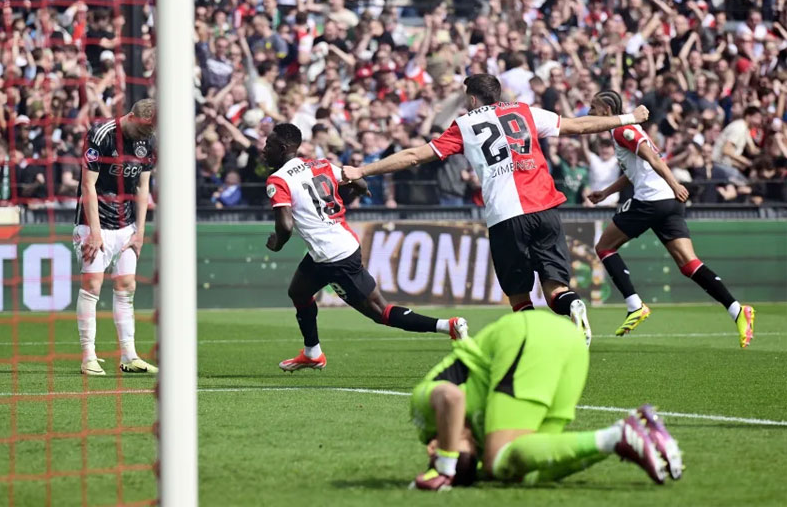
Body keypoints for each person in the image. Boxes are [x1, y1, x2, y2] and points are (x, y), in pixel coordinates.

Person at [343, 74, 652, 346]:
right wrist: (627, 118)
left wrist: (363, 170)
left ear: (473, 98)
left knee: (518, 295)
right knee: (556, 289)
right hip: (545, 208)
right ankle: (572, 307)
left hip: (506, 215)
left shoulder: (464, 125)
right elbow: (578, 126)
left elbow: (413, 156)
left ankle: (531, 343)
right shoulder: (524, 112)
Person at [263, 123, 468, 372]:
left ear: (283, 148)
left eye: (269, 145)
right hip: (330, 249)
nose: (264, 150)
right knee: (299, 292)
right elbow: (357, 182)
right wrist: (360, 189)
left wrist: (277, 243)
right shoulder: (320, 164)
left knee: (380, 312)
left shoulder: (278, 180)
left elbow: (285, 226)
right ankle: (312, 353)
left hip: (334, 257)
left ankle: (449, 325)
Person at [408, 310, 683, 490]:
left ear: (435, 443)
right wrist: (453, 467)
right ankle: (623, 437)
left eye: (434, 453)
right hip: (572, 349)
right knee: (524, 470)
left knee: (499, 458)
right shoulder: (479, 455)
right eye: (439, 455)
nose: (431, 451)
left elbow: (451, 397)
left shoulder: (426, 419)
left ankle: (618, 436)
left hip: (524, 336)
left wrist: (443, 466)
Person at [586, 91, 755, 347]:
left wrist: (675, 184)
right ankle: (737, 310)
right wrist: (607, 192)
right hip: (668, 203)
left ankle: (634, 305)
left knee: (604, 247)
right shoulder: (625, 131)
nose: (589, 113)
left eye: (593, 108)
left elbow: (654, 159)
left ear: (607, 110)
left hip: (652, 200)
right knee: (689, 263)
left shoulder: (623, 131)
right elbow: (636, 171)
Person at [74, 99, 158, 375]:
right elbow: (88, 184)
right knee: (93, 286)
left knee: (126, 288)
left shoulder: (149, 142)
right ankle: (88, 355)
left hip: (127, 227)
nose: (146, 136)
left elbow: (143, 188)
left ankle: (129, 356)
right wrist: (95, 232)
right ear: (131, 116)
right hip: (93, 225)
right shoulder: (101, 134)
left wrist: (140, 232)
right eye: (144, 129)